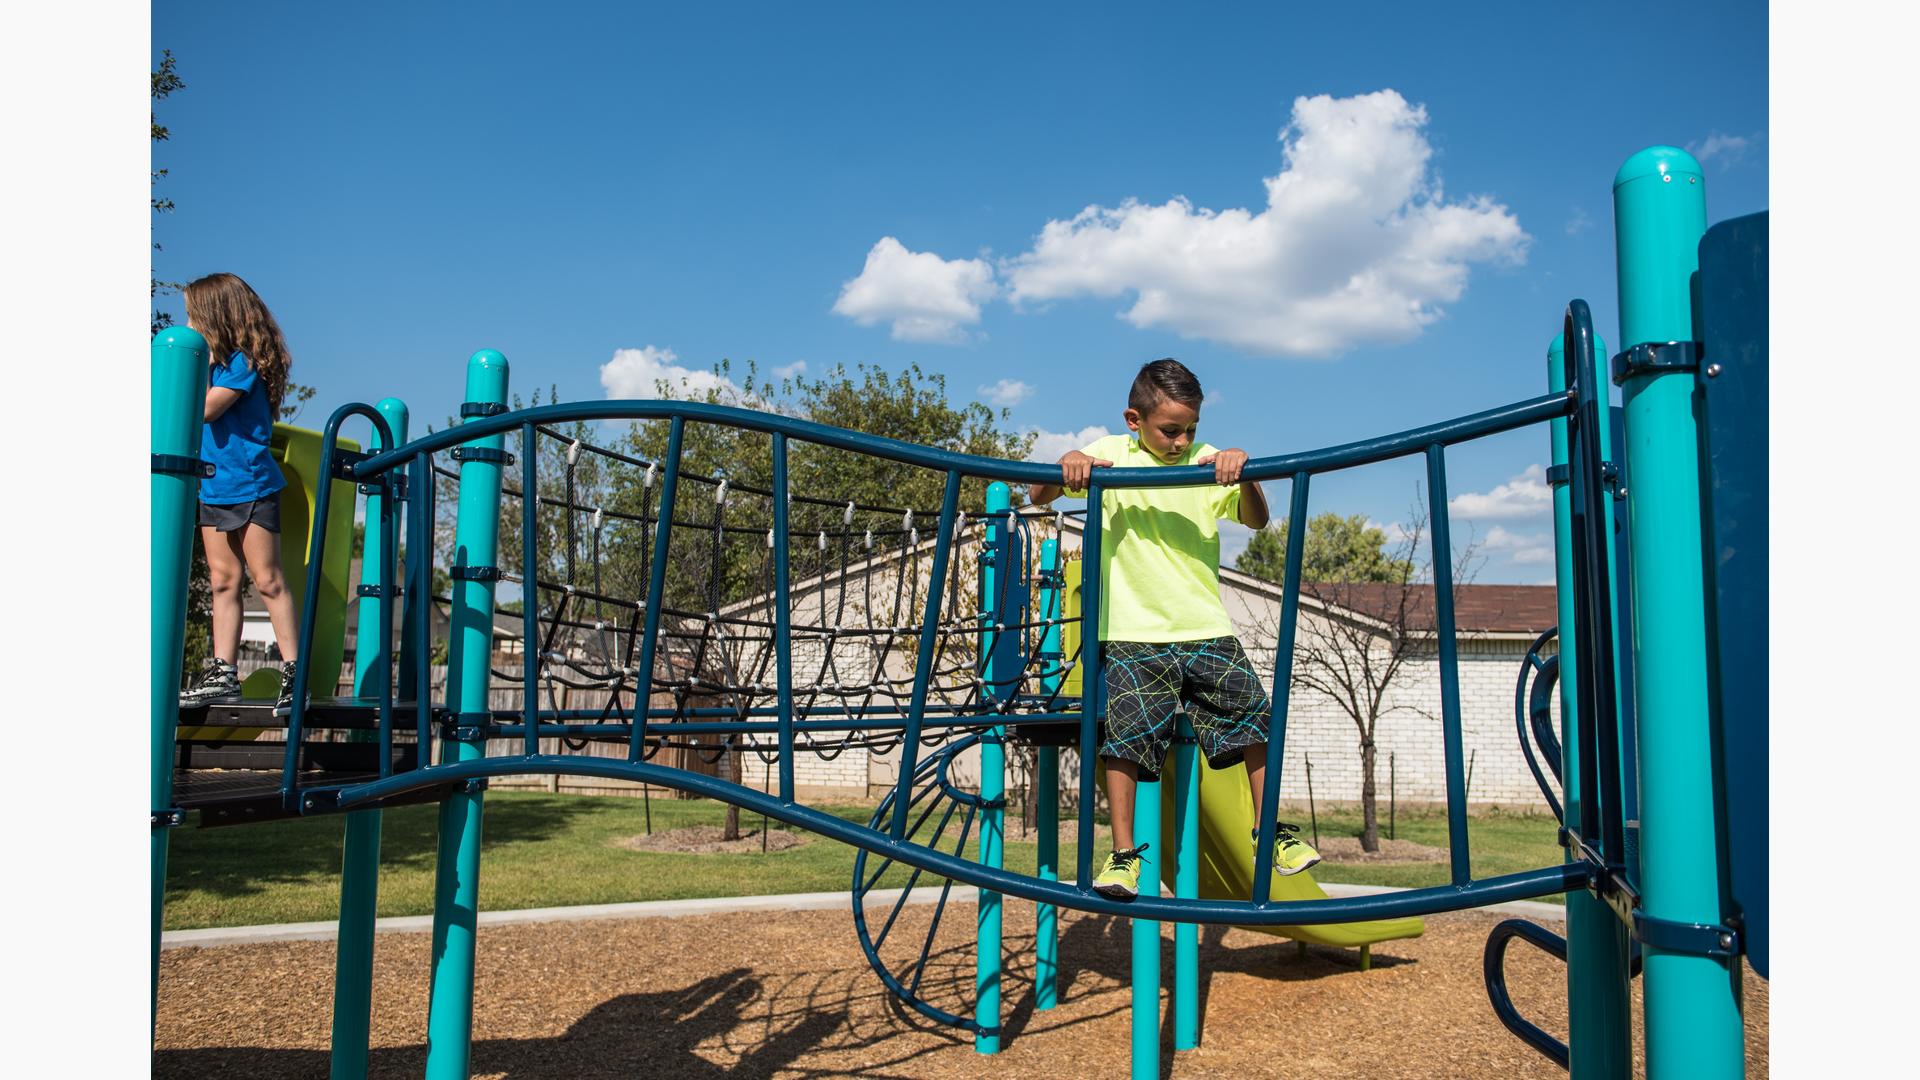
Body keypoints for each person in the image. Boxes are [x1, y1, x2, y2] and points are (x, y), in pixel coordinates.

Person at [1029, 358, 1320, 900]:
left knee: (1254, 716)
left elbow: (1255, 519)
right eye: (1170, 429)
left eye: (1191, 428)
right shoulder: (1110, 453)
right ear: (1134, 419)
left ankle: (1269, 831)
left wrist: (1245, 472)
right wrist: (1065, 465)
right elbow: (1038, 497)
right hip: (1133, 632)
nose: (1182, 440)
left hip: (1204, 625)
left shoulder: (1208, 461)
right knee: (1125, 741)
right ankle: (1122, 856)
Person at [175, 273, 308, 716]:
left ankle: (294, 672)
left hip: (250, 484)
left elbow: (206, 409)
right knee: (222, 581)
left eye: (193, 314)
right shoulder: (210, 367)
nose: (187, 323)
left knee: (268, 580)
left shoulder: (240, 364)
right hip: (212, 485)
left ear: (214, 316)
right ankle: (223, 673)